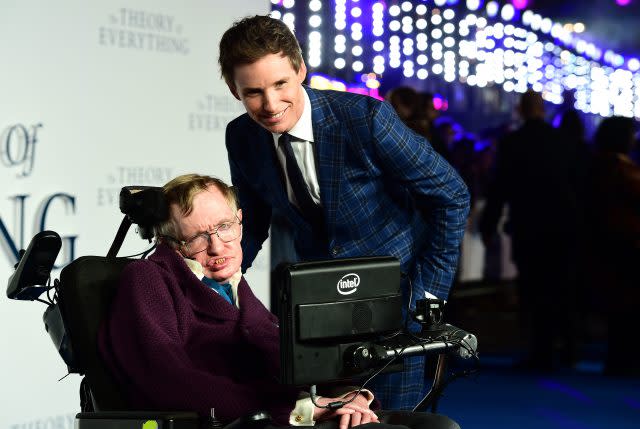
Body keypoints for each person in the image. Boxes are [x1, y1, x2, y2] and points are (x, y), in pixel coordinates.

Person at [219, 15, 470, 410]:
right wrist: (220, 280)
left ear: (300, 70)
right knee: (325, 417)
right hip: (318, 311)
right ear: (234, 90)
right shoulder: (241, 136)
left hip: (397, 304)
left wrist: (427, 294)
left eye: (281, 84)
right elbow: (251, 219)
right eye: (253, 92)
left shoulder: (364, 119)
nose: (270, 104)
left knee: (392, 420)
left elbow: (451, 194)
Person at [98, 174, 460, 429]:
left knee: (439, 424)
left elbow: (290, 357)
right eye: (197, 237)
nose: (218, 246)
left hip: (291, 411)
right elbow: (168, 380)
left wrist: (349, 394)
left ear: (240, 222)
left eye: (225, 226)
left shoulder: (232, 285)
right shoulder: (148, 279)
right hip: (242, 420)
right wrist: (299, 410)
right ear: (172, 242)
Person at [479, 90, 579, 370]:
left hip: (529, 225)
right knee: (562, 286)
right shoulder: (563, 141)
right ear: (543, 108)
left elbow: (500, 187)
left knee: (534, 289)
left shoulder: (513, 143)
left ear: (521, 109)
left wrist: (489, 224)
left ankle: (541, 350)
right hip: (563, 225)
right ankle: (569, 348)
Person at [587, 117, 640, 376]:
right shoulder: (620, 168)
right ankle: (623, 358)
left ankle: (619, 356)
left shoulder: (597, 165)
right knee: (627, 304)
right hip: (626, 243)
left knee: (619, 305)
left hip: (610, 241)